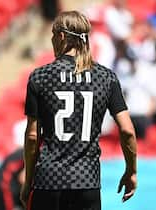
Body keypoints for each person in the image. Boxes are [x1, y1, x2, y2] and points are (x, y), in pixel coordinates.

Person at [20, 11, 137, 210]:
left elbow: (32, 136)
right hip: (87, 181)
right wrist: (131, 171)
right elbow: (127, 131)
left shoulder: (40, 77)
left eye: (53, 34)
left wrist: (28, 180)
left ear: (62, 37)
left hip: (48, 181)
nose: (51, 40)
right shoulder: (106, 77)